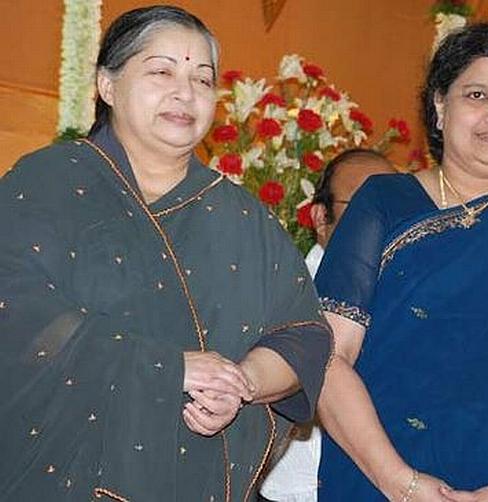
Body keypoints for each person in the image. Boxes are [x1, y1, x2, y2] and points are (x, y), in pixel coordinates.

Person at [0, 6, 331, 501]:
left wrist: (240, 383)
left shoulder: (242, 217)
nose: (185, 93)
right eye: (161, 71)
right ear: (107, 85)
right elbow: (14, 312)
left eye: (203, 79)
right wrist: (168, 367)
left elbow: (301, 336)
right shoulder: (48, 183)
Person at [314, 23, 488, 501]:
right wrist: (400, 483)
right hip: (376, 481)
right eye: (477, 94)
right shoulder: (383, 203)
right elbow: (329, 358)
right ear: (440, 106)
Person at [259, 149, 393, 501]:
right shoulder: (284, 296)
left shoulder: (411, 298)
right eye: (363, 206)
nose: (383, 219)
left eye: (394, 207)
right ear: (321, 218)